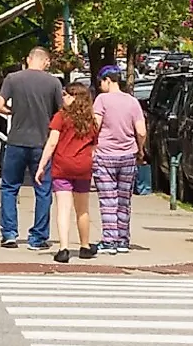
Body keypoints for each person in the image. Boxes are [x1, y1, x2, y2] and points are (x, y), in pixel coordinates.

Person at [0, 47, 64, 250]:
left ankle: (9, 234)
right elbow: (61, 113)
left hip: (16, 140)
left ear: (28, 59)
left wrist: (12, 112)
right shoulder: (53, 82)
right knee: (43, 190)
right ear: (46, 62)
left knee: (9, 187)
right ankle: (38, 238)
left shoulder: (12, 79)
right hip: (42, 143)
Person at [37, 74, 102, 264]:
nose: (62, 98)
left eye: (65, 95)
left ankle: (63, 248)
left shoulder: (60, 117)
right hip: (83, 167)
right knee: (82, 209)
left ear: (75, 97)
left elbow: (51, 143)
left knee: (63, 208)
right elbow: (93, 147)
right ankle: (84, 246)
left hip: (62, 165)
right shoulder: (91, 121)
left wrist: (41, 166)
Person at [92, 65, 148, 254]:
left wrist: (92, 145)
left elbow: (96, 125)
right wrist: (140, 150)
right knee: (124, 200)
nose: (100, 87)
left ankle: (109, 241)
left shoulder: (102, 100)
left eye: (101, 82)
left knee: (108, 200)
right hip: (128, 156)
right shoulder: (132, 102)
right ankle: (123, 240)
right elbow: (141, 131)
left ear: (108, 80)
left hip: (105, 155)